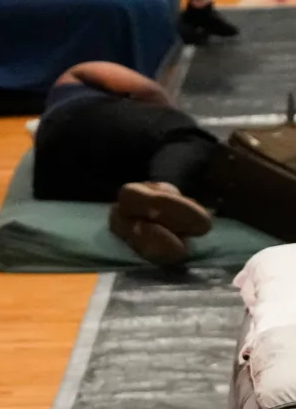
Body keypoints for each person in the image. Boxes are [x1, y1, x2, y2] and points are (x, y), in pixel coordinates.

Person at [32, 61, 220, 267]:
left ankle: (134, 219)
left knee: (172, 167)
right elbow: (147, 89)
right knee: (186, 137)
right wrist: (173, 120)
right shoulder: (76, 73)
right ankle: (164, 190)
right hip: (81, 116)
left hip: (55, 177)